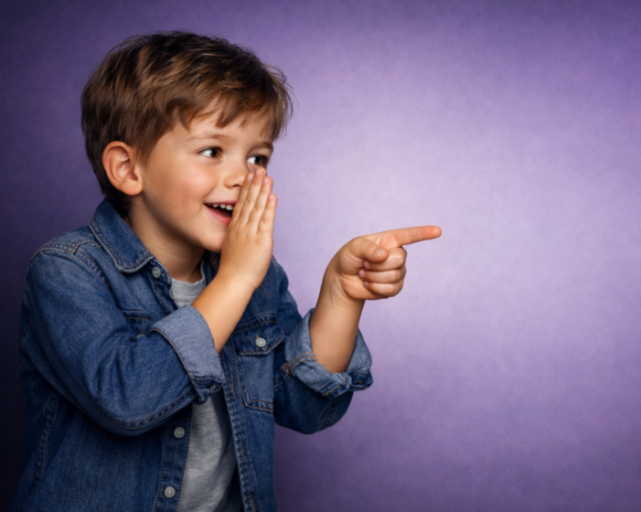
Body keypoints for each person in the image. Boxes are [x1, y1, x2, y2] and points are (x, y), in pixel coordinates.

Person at [12, 31, 441, 512]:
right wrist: (235, 280)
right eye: (213, 151)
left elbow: (304, 407)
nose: (244, 176)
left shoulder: (256, 275)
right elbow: (128, 400)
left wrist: (342, 295)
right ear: (128, 169)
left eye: (257, 157)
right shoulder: (68, 270)